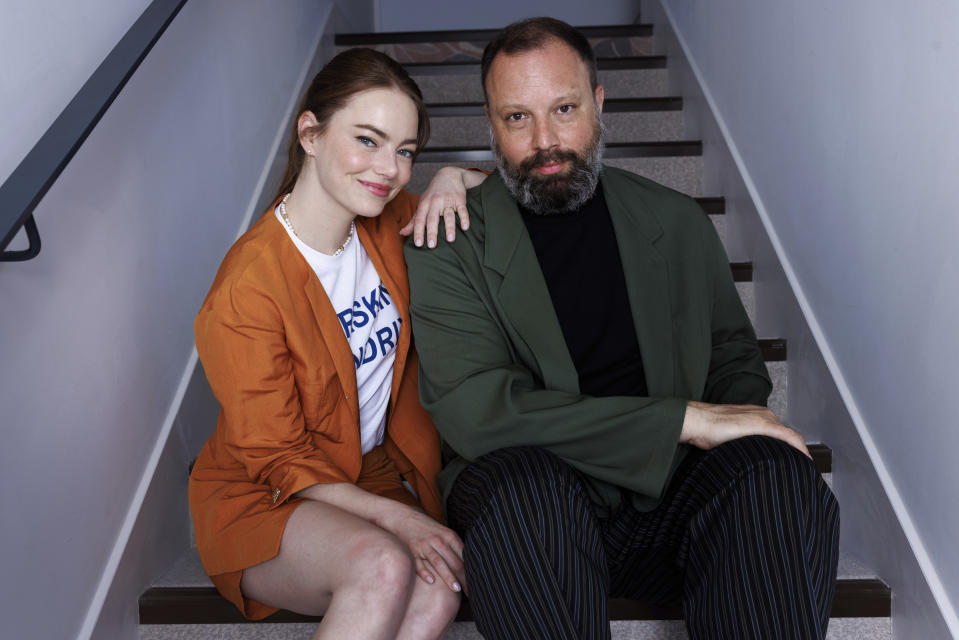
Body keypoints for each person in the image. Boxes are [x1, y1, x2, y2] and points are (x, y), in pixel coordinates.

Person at [404, 17, 840, 640]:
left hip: (669, 500)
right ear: (491, 126)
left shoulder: (677, 220)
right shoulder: (447, 242)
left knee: (775, 472)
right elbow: (478, 412)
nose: (546, 140)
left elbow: (733, 357)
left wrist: (723, 427)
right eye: (517, 118)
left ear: (599, 105)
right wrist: (683, 419)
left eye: (564, 108)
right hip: (531, 506)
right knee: (528, 495)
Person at [188, 48, 485, 640]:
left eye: (406, 152)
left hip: (364, 471)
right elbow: (276, 457)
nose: (390, 168)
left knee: (439, 580)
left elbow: (499, 194)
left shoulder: (385, 219)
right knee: (383, 565)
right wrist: (399, 516)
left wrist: (453, 175)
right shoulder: (249, 288)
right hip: (261, 495)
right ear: (310, 133)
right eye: (368, 140)